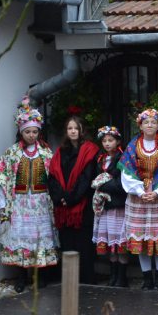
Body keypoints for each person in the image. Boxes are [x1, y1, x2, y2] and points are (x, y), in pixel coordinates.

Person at [0, 97, 57, 292]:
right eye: (28, 132)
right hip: (19, 203)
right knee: (20, 237)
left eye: (35, 132)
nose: (31, 135)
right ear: (21, 132)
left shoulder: (46, 152)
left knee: (40, 237)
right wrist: (2, 201)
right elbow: (0, 176)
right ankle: (21, 277)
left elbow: (54, 177)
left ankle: (40, 276)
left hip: (41, 203)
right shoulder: (12, 153)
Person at [119, 108, 158, 291]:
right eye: (146, 122)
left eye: (153, 122)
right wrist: (140, 191)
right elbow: (126, 172)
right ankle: (147, 278)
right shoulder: (132, 146)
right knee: (143, 241)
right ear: (140, 125)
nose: (150, 125)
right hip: (138, 200)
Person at [46, 115, 99, 284]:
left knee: (83, 246)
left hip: (82, 206)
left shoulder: (90, 150)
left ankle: (86, 282)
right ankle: (70, 281)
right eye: (70, 128)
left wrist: (70, 198)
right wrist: (60, 197)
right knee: (67, 244)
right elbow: (53, 177)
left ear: (82, 130)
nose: (73, 131)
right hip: (64, 209)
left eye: (76, 128)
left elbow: (86, 178)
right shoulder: (60, 152)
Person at [90, 126, 129, 287]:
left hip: (118, 206)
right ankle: (113, 275)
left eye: (110, 140)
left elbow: (122, 184)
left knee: (119, 242)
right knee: (110, 242)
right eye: (104, 141)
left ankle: (122, 277)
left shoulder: (123, 158)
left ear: (118, 141)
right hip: (105, 206)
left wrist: (102, 185)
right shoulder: (100, 159)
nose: (107, 143)